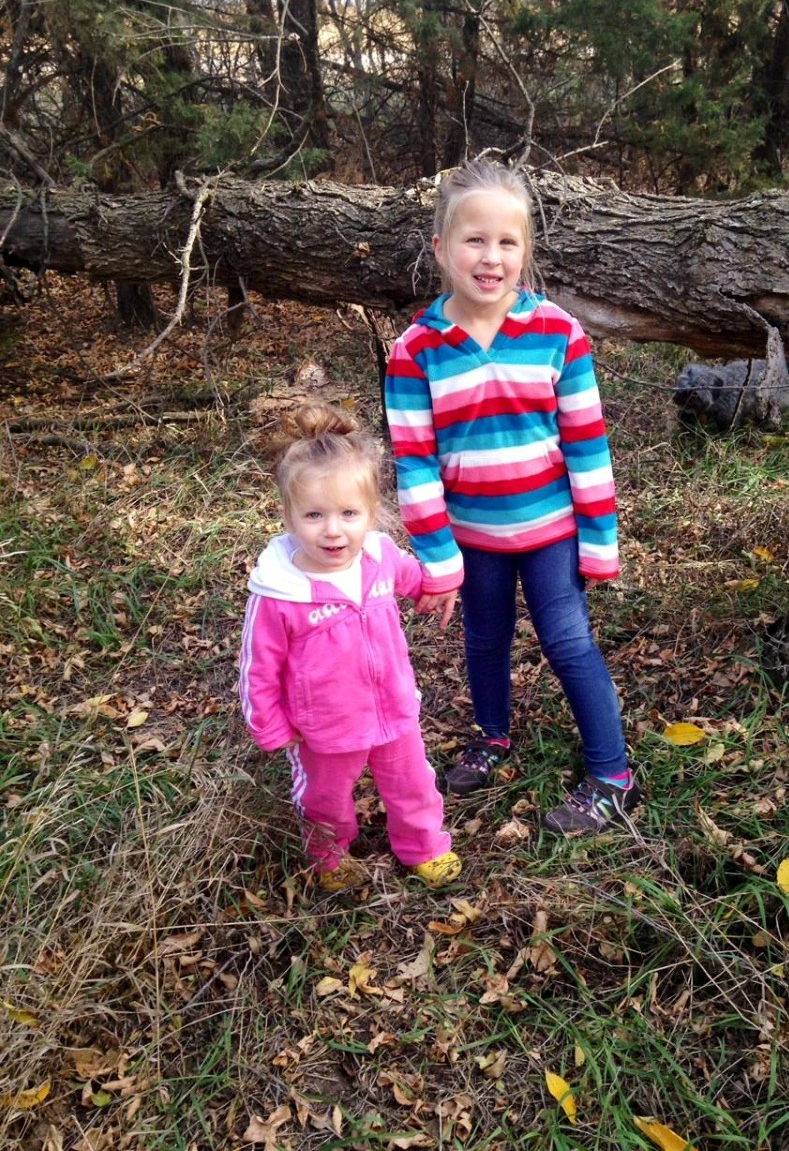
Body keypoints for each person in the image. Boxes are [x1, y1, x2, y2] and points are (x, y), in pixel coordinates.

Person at [385, 159, 640, 835]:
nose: (490, 257)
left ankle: (613, 774)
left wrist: (600, 540)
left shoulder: (559, 334)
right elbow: (415, 463)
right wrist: (438, 559)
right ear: (441, 247)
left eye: (507, 242)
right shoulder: (416, 351)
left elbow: (587, 445)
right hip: (473, 537)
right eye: (474, 239)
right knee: (484, 637)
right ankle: (492, 735)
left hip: (553, 530)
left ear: (525, 250)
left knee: (567, 640)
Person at [238, 402, 461, 891]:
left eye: (348, 513)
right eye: (314, 515)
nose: (333, 530)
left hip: (393, 708)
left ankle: (424, 846)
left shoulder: (379, 557)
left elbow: (414, 579)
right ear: (288, 515)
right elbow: (258, 668)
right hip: (323, 725)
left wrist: (437, 585)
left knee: (413, 783)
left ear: (371, 513)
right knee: (325, 797)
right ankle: (329, 856)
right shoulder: (280, 591)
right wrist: (270, 725)